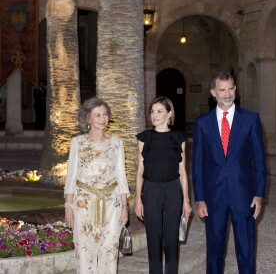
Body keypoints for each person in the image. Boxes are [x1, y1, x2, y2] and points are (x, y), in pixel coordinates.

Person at [192, 72, 266, 274]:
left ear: (235, 89)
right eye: (222, 90)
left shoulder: (251, 119)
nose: (227, 94)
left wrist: (259, 194)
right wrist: (199, 198)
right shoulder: (202, 123)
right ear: (213, 92)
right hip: (213, 196)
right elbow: (197, 164)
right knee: (214, 250)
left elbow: (259, 160)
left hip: (244, 195)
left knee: (246, 248)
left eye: (231, 88)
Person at [64, 97, 130, 274]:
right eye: (97, 115)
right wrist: (68, 208)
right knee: (85, 249)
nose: (103, 119)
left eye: (105, 114)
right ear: (88, 119)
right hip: (83, 204)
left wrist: (124, 207)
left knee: (109, 250)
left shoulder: (116, 143)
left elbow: (121, 178)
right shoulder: (77, 142)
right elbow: (70, 178)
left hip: (111, 204)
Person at [135, 96, 192, 274]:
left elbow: (182, 172)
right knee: (153, 238)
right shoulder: (144, 138)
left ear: (169, 114)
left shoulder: (178, 137)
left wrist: (186, 201)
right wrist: (138, 199)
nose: (155, 115)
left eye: (159, 111)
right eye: (152, 111)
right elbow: (139, 172)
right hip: (151, 190)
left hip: (173, 190)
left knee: (171, 238)